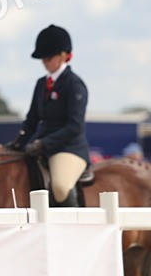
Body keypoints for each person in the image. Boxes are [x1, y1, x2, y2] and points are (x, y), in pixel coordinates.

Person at [6, 24, 90, 208]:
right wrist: (18, 143)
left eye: (48, 57)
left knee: (60, 187)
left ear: (62, 55)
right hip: (41, 148)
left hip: (68, 149)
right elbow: (32, 121)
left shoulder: (74, 85)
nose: (44, 61)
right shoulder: (41, 84)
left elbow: (74, 126)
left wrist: (44, 143)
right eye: (42, 57)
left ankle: (73, 229)